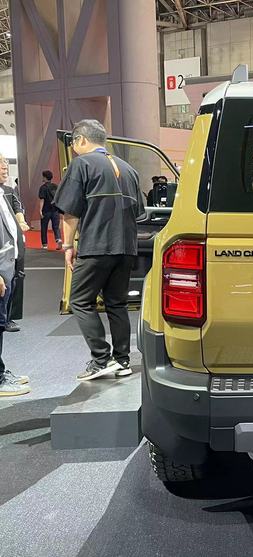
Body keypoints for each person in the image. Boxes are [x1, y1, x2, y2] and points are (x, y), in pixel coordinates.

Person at [54, 119, 144, 381]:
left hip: (96, 246)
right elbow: (138, 212)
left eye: (73, 143)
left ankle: (101, 359)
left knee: (80, 301)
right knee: (117, 303)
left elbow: (70, 212)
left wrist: (68, 245)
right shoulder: (129, 169)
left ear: (81, 140)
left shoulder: (81, 164)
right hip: (126, 248)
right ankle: (122, 361)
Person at [0, 154, 30, 396]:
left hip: (7, 267)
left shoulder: (5, 193)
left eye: (4, 164)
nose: (4, 168)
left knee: (1, 323)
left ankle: (1, 371)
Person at [1, 177, 29, 333]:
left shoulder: (8, 191)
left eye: (5, 166)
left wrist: (22, 222)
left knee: (16, 278)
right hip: (3, 246)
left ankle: (8, 317)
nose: (4, 169)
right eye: (1, 166)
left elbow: (18, 209)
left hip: (15, 243)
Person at [38, 170, 62, 250]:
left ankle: (44, 245)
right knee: (56, 227)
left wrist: (40, 210)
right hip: (55, 210)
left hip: (46, 210)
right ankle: (58, 239)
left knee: (44, 227)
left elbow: (42, 199)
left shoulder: (43, 188)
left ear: (45, 178)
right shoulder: (55, 186)